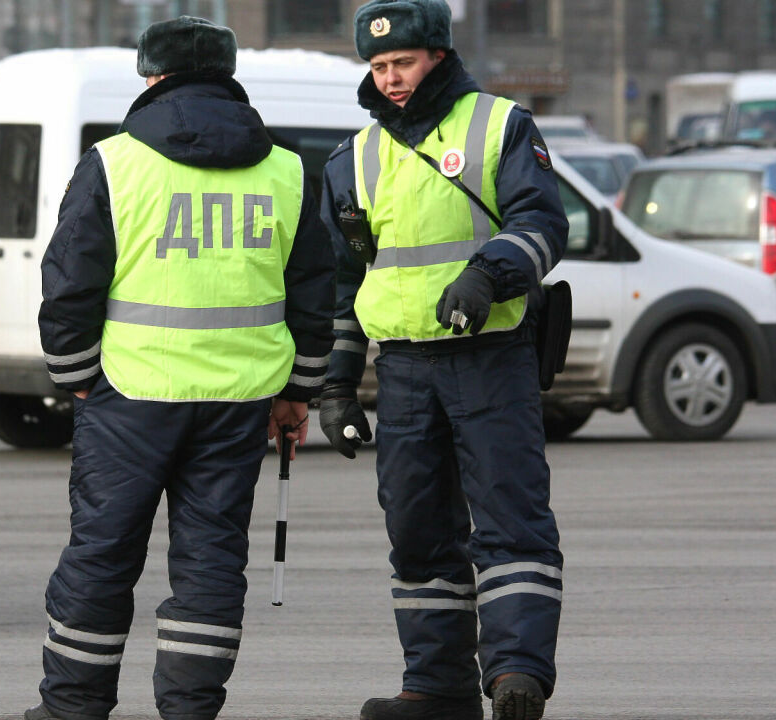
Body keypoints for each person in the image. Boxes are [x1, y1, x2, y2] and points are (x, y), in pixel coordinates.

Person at [27, 16, 335, 720]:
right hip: (241, 400)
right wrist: (299, 392)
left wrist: (74, 373)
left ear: (151, 78)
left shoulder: (115, 162)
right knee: (211, 564)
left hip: (130, 395)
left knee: (103, 555)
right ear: (229, 77)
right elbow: (316, 290)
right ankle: (191, 711)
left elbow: (70, 278)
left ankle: (73, 709)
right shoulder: (286, 169)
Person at [316, 2, 569, 720]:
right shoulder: (352, 158)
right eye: (378, 67)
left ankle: (516, 675)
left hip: (491, 357)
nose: (391, 79)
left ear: (437, 56)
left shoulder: (499, 125)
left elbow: (545, 224)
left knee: (510, 520)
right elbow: (346, 282)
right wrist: (336, 386)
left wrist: (491, 272)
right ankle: (436, 687)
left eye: (403, 63)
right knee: (418, 532)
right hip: (400, 370)